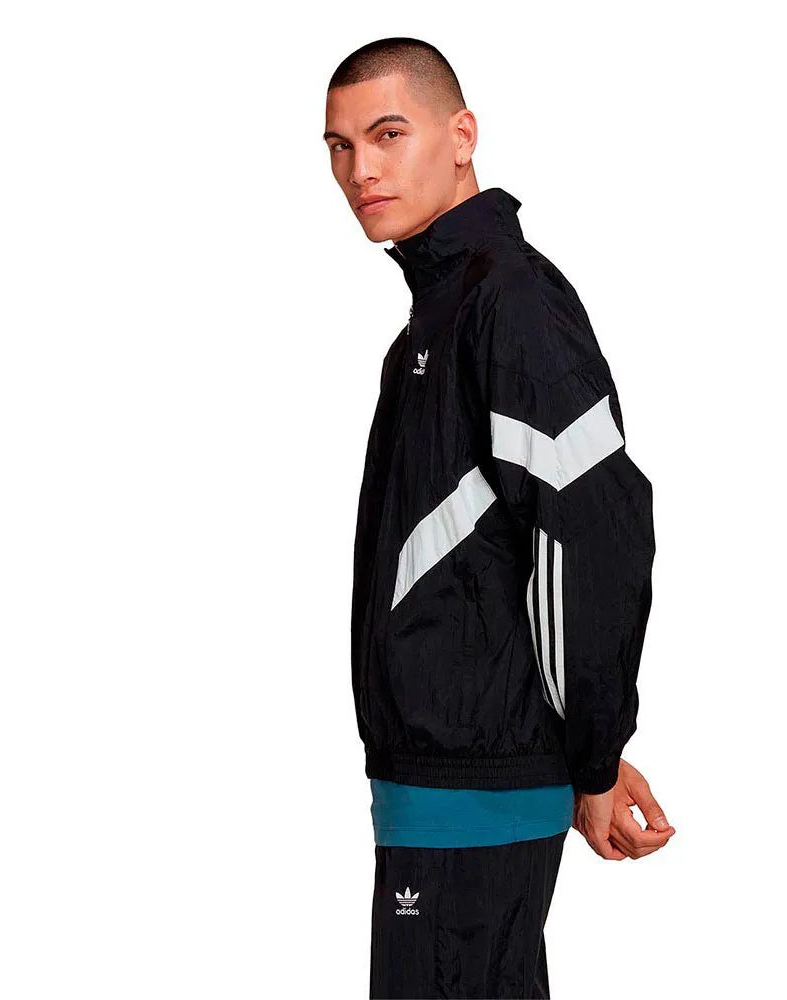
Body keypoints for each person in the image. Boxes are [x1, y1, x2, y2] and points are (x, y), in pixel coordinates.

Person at [324, 36, 676, 999]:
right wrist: (590, 750)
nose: (361, 171)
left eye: (387, 134)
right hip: (439, 779)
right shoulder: (436, 317)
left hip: (471, 783)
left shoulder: (507, 301)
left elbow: (595, 528)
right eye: (340, 147)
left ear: (462, 135)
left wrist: (595, 754)